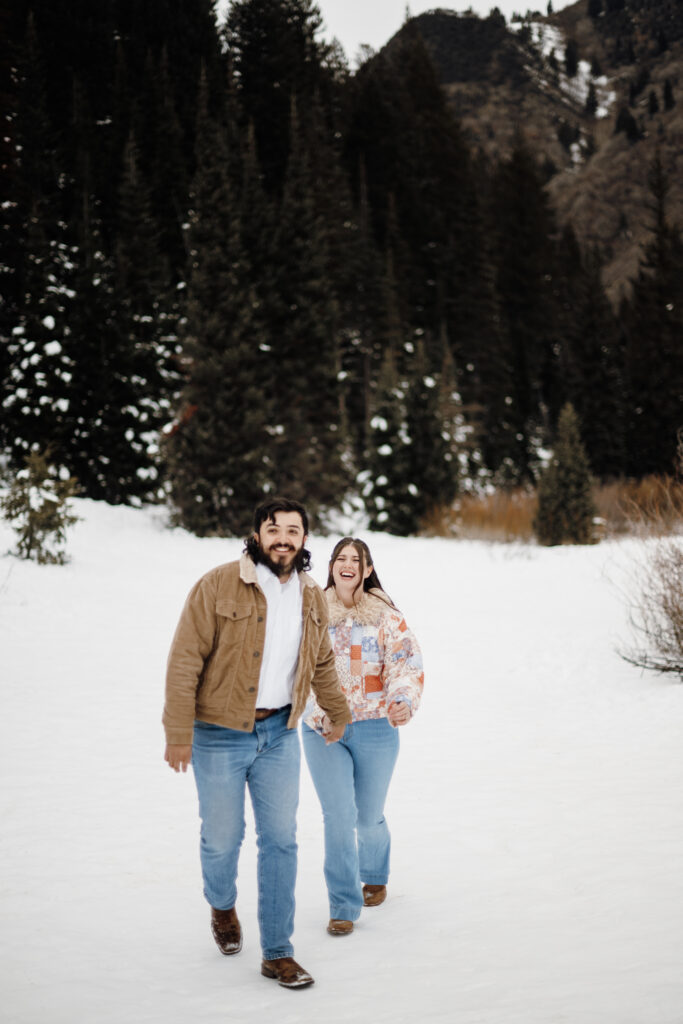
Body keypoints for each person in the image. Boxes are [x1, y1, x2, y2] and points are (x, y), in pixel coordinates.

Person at [163, 497, 351, 989]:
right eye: (274, 529)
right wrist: (178, 730)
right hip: (218, 734)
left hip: (279, 735)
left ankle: (277, 951)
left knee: (282, 841)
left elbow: (323, 662)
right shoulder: (219, 583)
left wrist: (340, 710)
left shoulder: (311, 596)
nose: (283, 538)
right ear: (257, 535)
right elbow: (185, 659)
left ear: (305, 540)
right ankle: (222, 906)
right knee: (222, 839)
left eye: (292, 530)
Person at [302, 537, 424, 937]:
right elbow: (296, 672)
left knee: (367, 817)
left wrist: (402, 699)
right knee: (338, 817)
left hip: (375, 728)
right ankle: (343, 906)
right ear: (332, 566)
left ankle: (373, 872)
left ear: (367, 569)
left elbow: (405, 663)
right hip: (326, 729)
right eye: (341, 558)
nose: (348, 564)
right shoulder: (311, 613)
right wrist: (319, 715)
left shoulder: (386, 616)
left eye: (357, 559)